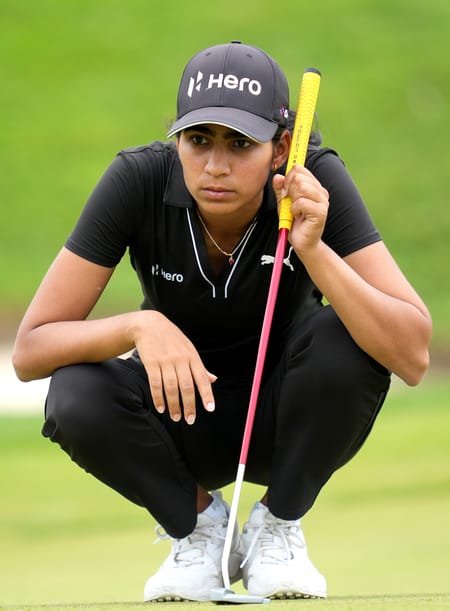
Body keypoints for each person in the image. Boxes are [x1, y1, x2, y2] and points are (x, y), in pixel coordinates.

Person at [12, 41, 432, 602]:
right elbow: (31, 351)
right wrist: (139, 328)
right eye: (198, 139)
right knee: (75, 390)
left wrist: (314, 249)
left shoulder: (315, 179)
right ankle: (200, 528)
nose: (215, 165)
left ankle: (277, 527)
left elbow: (412, 354)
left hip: (287, 423)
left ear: (281, 148)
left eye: (240, 143)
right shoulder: (138, 180)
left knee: (346, 339)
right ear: (177, 141)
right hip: (177, 420)